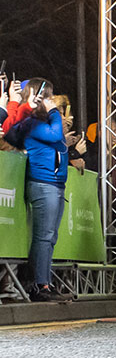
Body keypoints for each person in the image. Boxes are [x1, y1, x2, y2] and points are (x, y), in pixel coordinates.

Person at [3, 78, 69, 302]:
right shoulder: (35, 123)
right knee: (44, 237)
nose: (51, 101)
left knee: (50, 237)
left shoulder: (37, 123)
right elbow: (55, 135)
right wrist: (53, 113)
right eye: (47, 97)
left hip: (55, 184)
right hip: (43, 183)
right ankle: (39, 285)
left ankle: (44, 282)